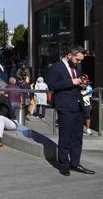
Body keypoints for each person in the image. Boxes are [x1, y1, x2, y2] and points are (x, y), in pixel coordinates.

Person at [46, 45, 95, 176]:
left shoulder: (78, 67)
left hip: (78, 106)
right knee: (65, 137)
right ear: (69, 55)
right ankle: (64, 165)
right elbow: (51, 85)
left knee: (77, 138)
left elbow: (77, 82)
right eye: (77, 60)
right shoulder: (56, 67)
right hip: (65, 107)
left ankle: (75, 163)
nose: (79, 63)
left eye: (81, 60)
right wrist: (71, 82)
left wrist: (82, 84)